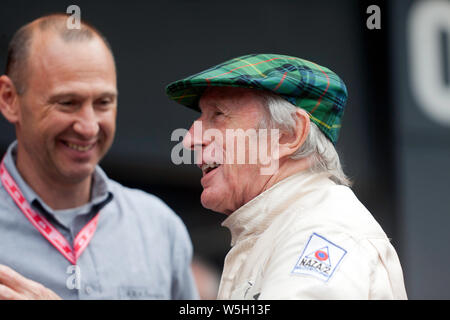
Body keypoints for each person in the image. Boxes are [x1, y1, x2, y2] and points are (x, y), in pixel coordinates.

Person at [166, 53, 408, 299]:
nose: (190, 139)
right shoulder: (286, 231)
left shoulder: (323, 233)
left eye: (218, 114)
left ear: (289, 135)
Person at [0, 14, 198, 300]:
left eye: (103, 103)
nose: (89, 126)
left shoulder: (159, 228)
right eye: (67, 103)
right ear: (9, 99)